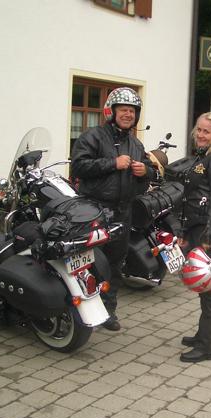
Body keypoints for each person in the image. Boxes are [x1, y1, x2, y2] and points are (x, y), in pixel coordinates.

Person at [70, 87, 154, 330]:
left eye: (132, 111)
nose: (128, 114)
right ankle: (82, 309)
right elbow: (78, 166)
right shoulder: (93, 136)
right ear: (112, 111)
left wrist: (145, 172)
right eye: (123, 110)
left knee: (115, 264)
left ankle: (108, 311)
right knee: (89, 262)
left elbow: (145, 180)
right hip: (94, 210)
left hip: (122, 212)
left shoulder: (136, 144)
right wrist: (112, 163)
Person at [165, 112, 211, 363]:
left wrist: (210, 238)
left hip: (207, 231)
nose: (201, 135)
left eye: (207, 131)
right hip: (196, 228)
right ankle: (203, 335)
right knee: (203, 287)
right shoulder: (205, 156)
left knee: (209, 287)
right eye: (199, 130)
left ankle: (208, 347)